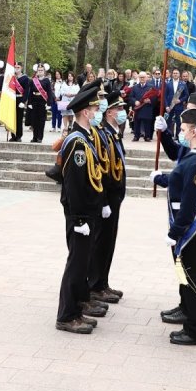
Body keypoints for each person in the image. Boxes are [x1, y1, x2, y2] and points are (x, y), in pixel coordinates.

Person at [151, 108, 196, 346]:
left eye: (182, 129)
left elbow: (190, 203)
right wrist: (161, 179)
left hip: (191, 227)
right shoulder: (195, 157)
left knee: (191, 278)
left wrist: (175, 232)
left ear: (193, 131)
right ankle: (192, 321)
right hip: (191, 224)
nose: (180, 132)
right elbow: (180, 182)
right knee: (189, 276)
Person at [55, 84, 105, 334]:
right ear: (86, 112)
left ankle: (76, 308)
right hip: (80, 215)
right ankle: (66, 315)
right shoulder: (77, 143)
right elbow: (74, 185)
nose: (98, 111)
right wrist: (77, 219)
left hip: (88, 212)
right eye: (95, 108)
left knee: (81, 264)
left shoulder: (84, 137)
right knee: (75, 265)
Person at [89, 90, 127, 304]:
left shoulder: (114, 132)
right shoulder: (102, 133)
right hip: (107, 196)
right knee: (101, 242)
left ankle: (103, 282)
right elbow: (101, 170)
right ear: (110, 112)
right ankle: (95, 285)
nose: (123, 112)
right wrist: (103, 201)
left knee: (109, 241)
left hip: (115, 196)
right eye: (120, 109)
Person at [29, 63, 53, 143]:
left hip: (43, 102)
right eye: (38, 70)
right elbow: (30, 92)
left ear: (44, 71)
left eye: (41, 70)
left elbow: (49, 92)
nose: (40, 71)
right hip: (34, 101)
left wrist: (49, 103)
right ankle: (34, 137)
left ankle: (40, 137)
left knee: (41, 120)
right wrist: (29, 103)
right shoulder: (33, 81)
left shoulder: (47, 81)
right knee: (34, 120)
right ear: (36, 71)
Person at [130, 71, 157, 141]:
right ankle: (136, 136)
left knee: (147, 123)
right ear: (139, 78)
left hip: (147, 108)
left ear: (146, 78)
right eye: (140, 77)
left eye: (143, 77)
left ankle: (147, 136)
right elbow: (131, 97)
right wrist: (135, 101)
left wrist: (150, 100)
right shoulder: (135, 87)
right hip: (138, 108)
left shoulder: (151, 87)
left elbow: (155, 97)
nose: (142, 78)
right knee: (137, 122)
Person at [10, 63, 31, 142]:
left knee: (19, 119)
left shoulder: (25, 78)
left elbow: (26, 91)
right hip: (12, 99)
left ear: (21, 68)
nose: (16, 68)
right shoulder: (12, 77)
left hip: (20, 99)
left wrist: (23, 101)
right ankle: (13, 135)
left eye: (18, 67)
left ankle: (19, 136)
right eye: (15, 67)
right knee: (12, 119)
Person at [164, 68, 188, 134]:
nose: (175, 74)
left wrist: (180, 100)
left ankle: (178, 136)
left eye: (176, 73)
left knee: (178, 122)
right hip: (170, 106)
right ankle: (169, 135)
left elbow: (186, 95)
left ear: (179, 75)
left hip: (179, 106)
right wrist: (166, 106)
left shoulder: (183, 84)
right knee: (168, 121)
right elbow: (165, 96)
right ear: (172, 74)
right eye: (174, 73)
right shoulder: (168, 84)